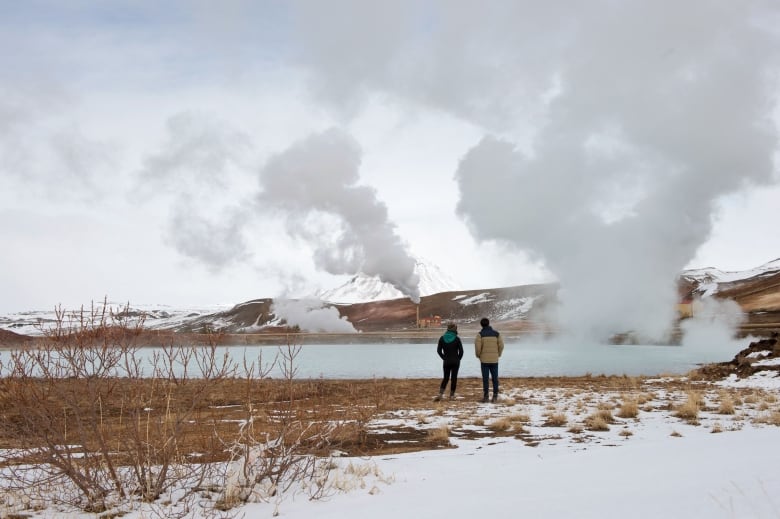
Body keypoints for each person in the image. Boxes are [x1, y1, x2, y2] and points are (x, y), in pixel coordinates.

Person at [475, 317, 504, 403]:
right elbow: (501, 345)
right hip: (494, 360)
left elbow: (477, 348)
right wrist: (498, 354)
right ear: (489, 323)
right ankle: (495, 397)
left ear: (481, 325)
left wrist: (479, 356)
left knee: (485, 378)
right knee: (495, 378)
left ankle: (486, 396)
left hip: (484, 360)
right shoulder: (497, 334)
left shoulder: (480, 334)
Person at [434, 323, 464, 401]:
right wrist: (458, 359)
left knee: (446, 378)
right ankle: (451, 395)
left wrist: (444, 358)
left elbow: (438, 351)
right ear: (454, 329)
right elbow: (461, 351)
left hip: (446, 361)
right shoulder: (457, 338)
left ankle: (440, 394)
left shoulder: (442, 338)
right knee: (454, 378)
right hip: (455, 361)